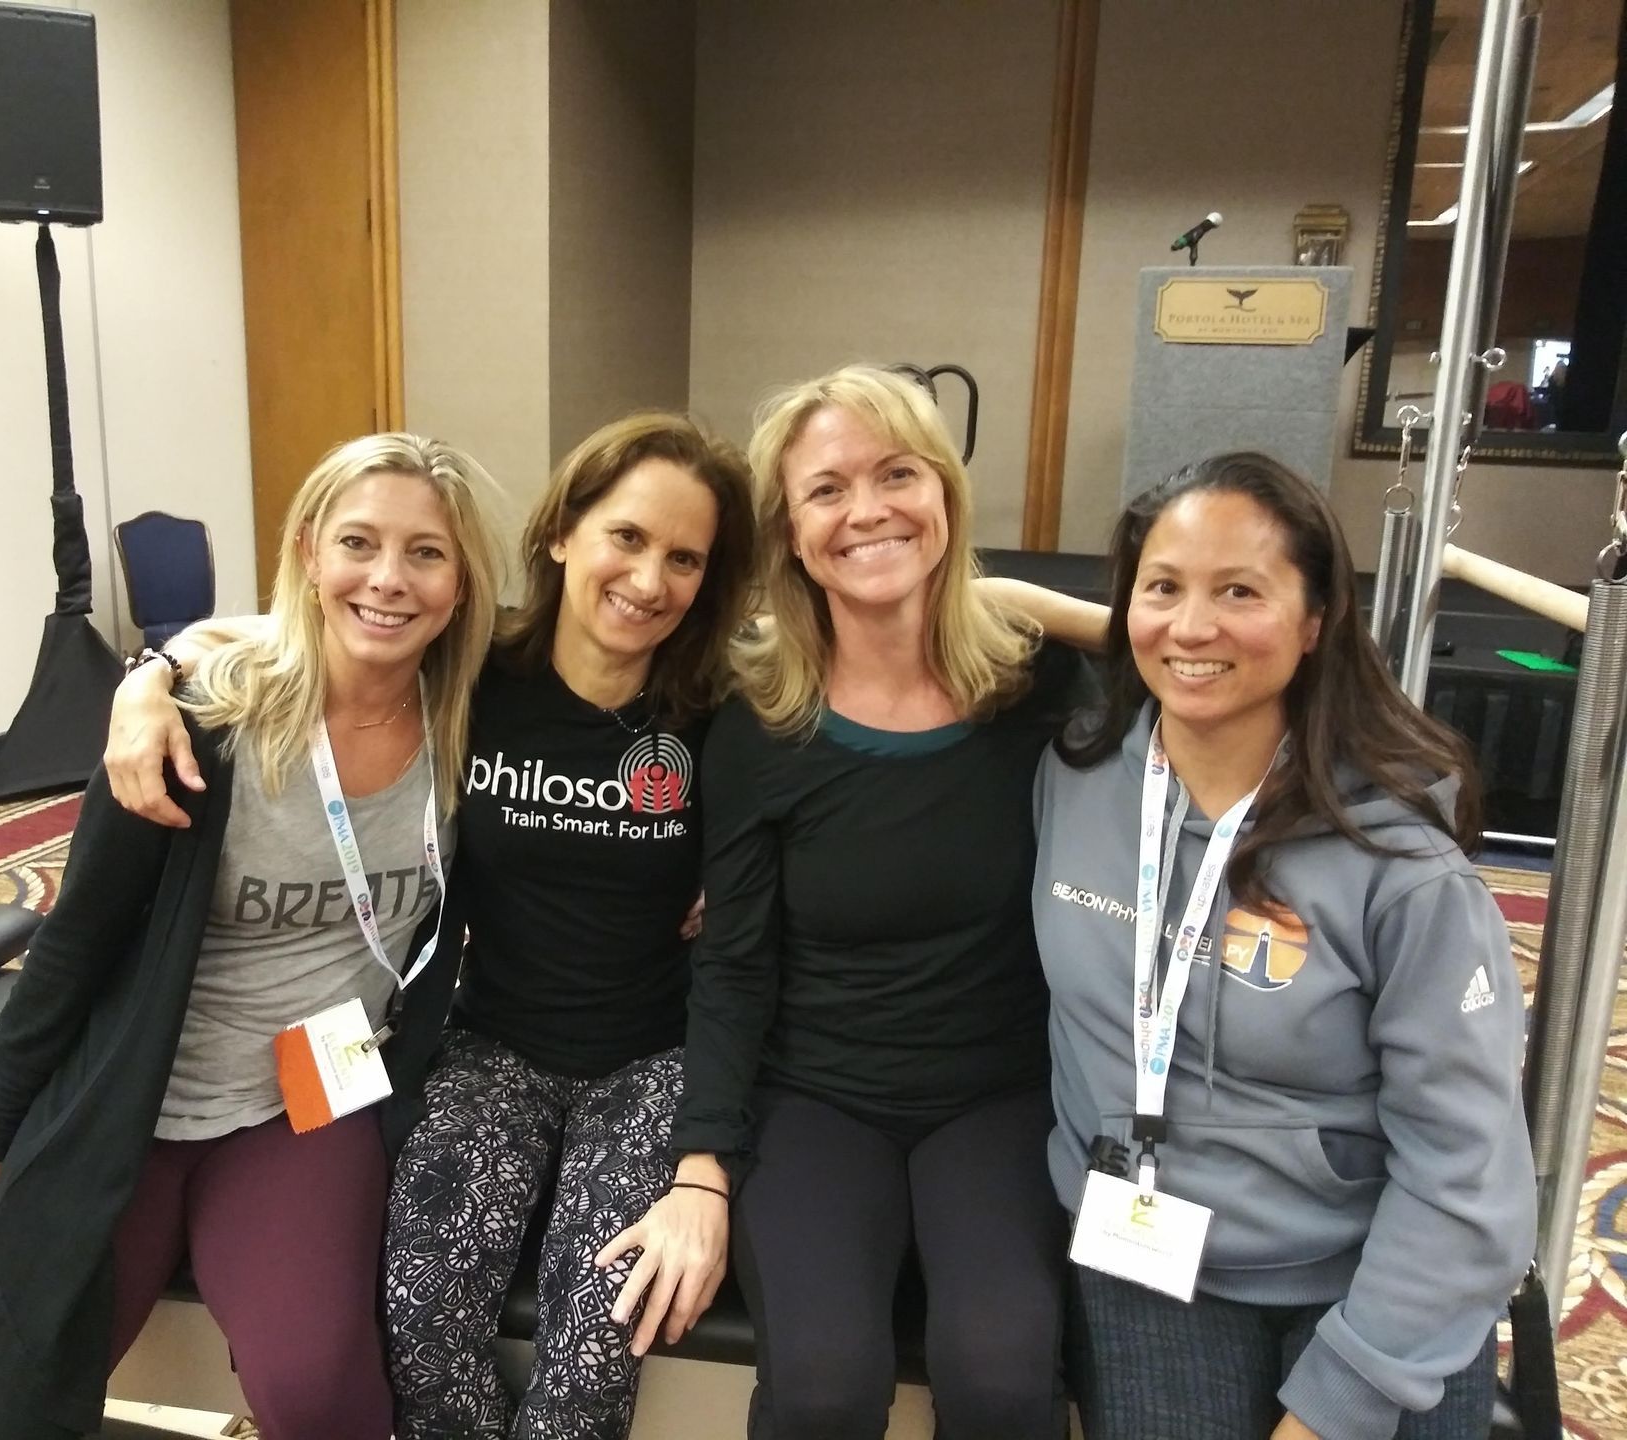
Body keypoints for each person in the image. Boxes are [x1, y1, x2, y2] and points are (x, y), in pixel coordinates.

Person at [105, 412, 758, 1439]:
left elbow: (916, 619)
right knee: (420, 1313)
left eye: (685, 558)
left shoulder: (722, 710)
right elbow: (276, 631)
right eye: (627, 537)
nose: (648, 579)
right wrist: (148, 677)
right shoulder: (472, 672)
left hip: (651, 1064)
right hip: (490, 1046)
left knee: (597, 1342)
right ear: (562, 533)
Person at [0, 432, 507, 1440]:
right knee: (20, 1376)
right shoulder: (199, 726)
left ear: (460, 584)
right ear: (309, 552)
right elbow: (73, 946)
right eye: (358, 543)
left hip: (306, 1101)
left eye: (426, 554)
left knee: (317, 1393)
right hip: (137, 1096)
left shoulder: (473, 724)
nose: (389, 579)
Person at [1034, 452, 1534, 1440]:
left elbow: (1465, 1174)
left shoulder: (1400, 865)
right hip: (1146, 1249)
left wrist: (1337, 1404)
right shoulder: (1075, 778)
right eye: (1163, 588)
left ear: (1315, 623)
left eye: (1240, 592)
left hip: (1366, 1267)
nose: (1192, 627)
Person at [651, 364, 1083, 1439]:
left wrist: (1034, 602)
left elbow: (1199, 644)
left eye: (898, 474)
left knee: (1001, 1379)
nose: (868, 510)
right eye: (827, 489)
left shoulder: (1037, 684)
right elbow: (733, 962)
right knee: (823, 1389)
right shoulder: (763, 723)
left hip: (998, 1094)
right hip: (815, 1098)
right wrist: (703, 1165)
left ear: (944, 493)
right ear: (791, 534)